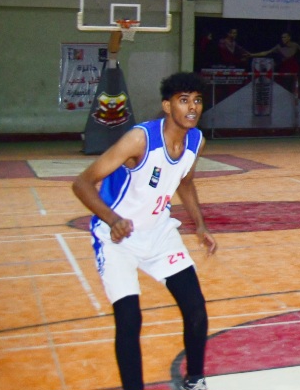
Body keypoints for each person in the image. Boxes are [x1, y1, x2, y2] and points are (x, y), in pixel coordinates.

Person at [72, 72, 217, 390]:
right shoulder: (140, 139)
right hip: (117, 239)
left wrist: (200, 225)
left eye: (197, 100)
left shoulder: (196, 140)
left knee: (195, 308)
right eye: (183, 100)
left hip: (159, 234)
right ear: (167, 106)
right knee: (129, 320)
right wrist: (112, 220)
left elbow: (186, 182)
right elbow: (82, 183)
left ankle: (195, 379)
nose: (192, 107)